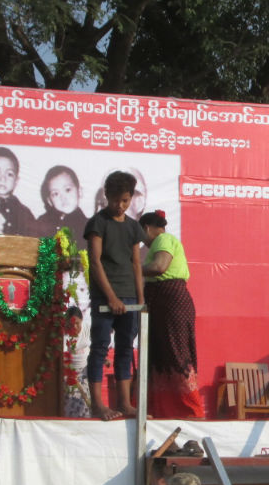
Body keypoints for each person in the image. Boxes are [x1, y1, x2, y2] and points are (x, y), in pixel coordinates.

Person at [85, 170, 146, 419]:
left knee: (124, 349)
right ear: (106, 196)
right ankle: (98, 404)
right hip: (105, 298)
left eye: (124, 200)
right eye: (114, 200)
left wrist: (141, 299)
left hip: (130, 297)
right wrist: (111, 297)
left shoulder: (133, 227)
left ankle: (124, 403)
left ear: (131, 198)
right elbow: (95, 261)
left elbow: (136, 263)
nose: (119, 206)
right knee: (99, 348)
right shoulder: (97, 223)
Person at [141, 210, 205, 418]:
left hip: (170, 303)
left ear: (147, 228)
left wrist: (131, 269)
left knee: (177, 356)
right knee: (160, 357)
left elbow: (160, 266)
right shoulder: (162, 241)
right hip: (162, 304)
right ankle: (165, 410)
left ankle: (190, 410)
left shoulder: (163, 239)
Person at [34, 164, 90, 240]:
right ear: (49, 201)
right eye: (55, 194)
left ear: (79, 192)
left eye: (67, 190)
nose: (63, 198)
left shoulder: (88, 226)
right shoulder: (42, 223)